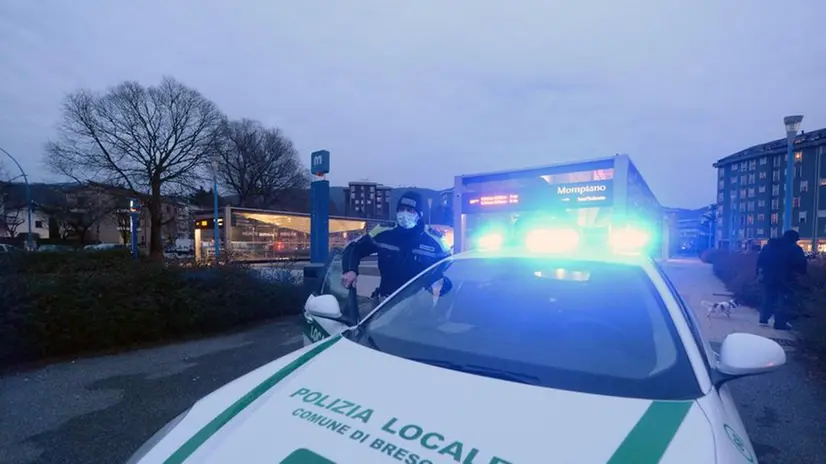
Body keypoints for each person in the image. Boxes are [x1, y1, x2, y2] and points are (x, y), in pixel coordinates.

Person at [341, 191, 451, 305]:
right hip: (385, 304)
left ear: (420, 214)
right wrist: (350, 271)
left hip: (421, 307)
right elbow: (354, 249)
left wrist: (440, 283)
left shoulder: (435, 241)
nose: (404, 214)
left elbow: (451, 268)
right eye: (401, 209)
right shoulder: (384, 233)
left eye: (410, 210)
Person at [757, 230, 807, 330]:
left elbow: (760, 261)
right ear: (793, 239)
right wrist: (802, 275)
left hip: (769, 277)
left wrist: (760, 273)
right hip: (786, 279)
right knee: (783, 300)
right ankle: (780, 323)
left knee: (768, 297)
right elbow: (801, 264)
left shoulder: (769, 246)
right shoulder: (794, 249)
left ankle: (764, 318)